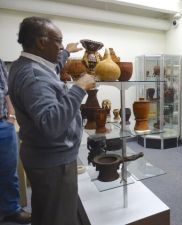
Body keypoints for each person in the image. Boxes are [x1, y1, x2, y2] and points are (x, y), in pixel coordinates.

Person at [8, 16, 96, 225]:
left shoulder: (29, 65)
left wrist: (66, 52)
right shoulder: (33, 76)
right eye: (59, 41)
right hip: (53, 164)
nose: (61, 46)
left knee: (50, 210)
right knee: (58, 217)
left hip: (46, 157)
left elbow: (53, 69)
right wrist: (79, 88)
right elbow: (51, 124)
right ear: (41, 42)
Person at [0, 59, 31, 224]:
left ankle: (11, 209)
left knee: (8, 169)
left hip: (3, 123)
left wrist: (11, 117)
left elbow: (6, 91)